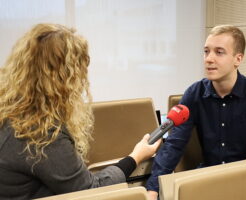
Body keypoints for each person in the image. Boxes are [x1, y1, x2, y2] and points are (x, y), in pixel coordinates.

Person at [0, 23, 161, 199]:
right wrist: (136, 156)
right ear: (62, 78)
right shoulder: (40, 133)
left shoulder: (10, 110)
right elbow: (90, 190)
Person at [146, 24, 246, 199]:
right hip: (209, 178)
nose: (209, 59)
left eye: (219, 52)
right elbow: (174, 144)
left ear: (238, 59)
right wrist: (153, 189)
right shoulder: (194, 94)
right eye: (206, 51)